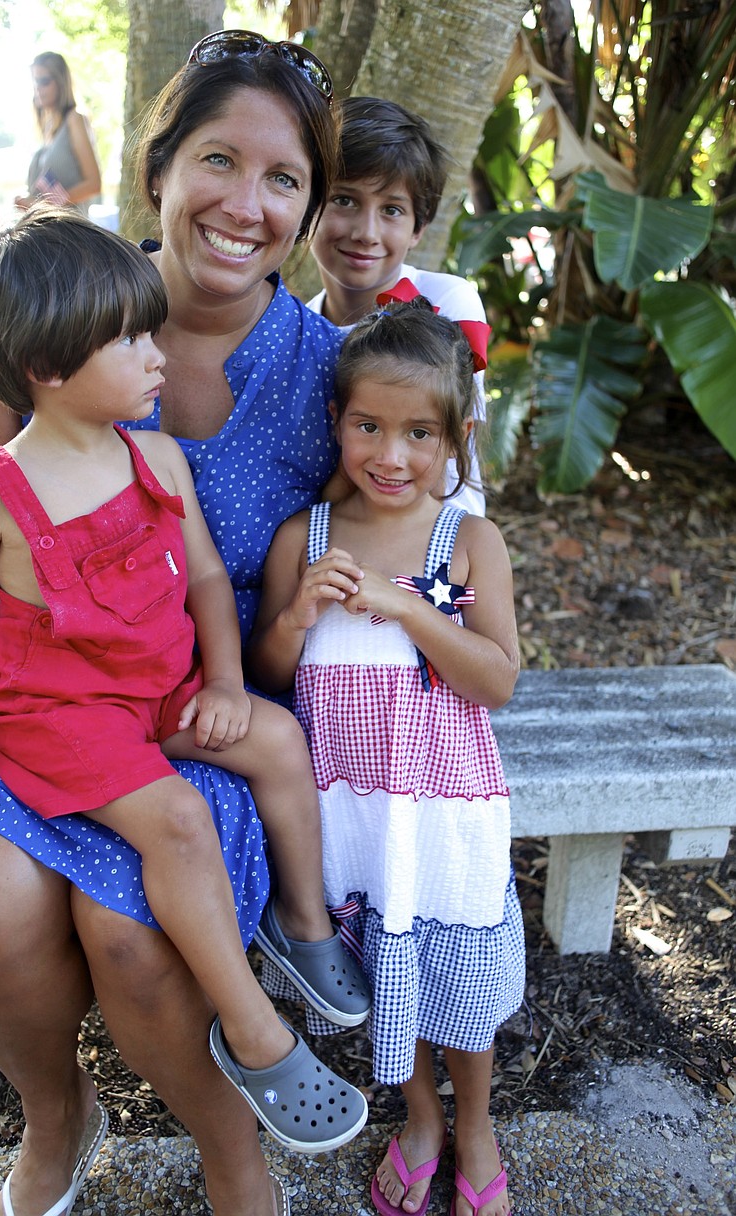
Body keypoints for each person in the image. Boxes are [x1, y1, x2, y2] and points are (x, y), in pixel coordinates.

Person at [0, 31, 349, 1216]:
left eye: (283, 178)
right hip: (42, 701)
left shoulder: (330, 371)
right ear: (158, 168)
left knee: (138, 930)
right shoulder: (44, 310)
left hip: (207, 693)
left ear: (305, 208)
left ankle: (230, 1141)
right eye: (217, 158)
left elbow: (417, 536)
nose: (245, 204)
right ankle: (57, 1113)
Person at [247, 299, 525, 1216]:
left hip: (443, 820)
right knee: (379, 984)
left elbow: (495, 681)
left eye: (419, 433)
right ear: (336, 422)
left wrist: (412, 610)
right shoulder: (306, 539)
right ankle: (420, 1119)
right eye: (368, 425)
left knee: (457, 991)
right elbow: (268, 674)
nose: (390, 454)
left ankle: (475, 1122)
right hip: (348, 823)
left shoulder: (468, 541)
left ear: (456, 439)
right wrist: (296, 614)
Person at [306, 96, 490, 516]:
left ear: (418, 228)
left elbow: (445, 455)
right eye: (344, 200)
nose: (366, 232)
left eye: (391, 209)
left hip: (443, 545)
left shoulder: (447, 303)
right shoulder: (295, 329)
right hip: (335, 546)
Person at [15, 52, 101, 214]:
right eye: (35, 82)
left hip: (71, 231)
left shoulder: (74, 120)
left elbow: (94, 184)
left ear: (61, 82)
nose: (38, 88)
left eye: (44, 81)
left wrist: (44, 204)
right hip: (46, 229)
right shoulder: (47, 127)